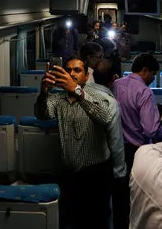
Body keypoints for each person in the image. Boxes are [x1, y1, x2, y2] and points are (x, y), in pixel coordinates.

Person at [34, 58, 113, 229]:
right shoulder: (58, 100)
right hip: (69, 174)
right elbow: (42, 114)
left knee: (96, 221)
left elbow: (104, 117)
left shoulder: (99, 97)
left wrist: (77, 92)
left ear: (86, 76)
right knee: (70, 220)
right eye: (68, 70)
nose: (71, 73)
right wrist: (43, 93)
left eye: (77, 70)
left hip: (96, 174)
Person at [113, 54, 162, 174]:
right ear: (144, 70)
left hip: (117, 146)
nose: (153, 79)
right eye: (153, 74)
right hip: (136, 149)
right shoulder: (145, 92)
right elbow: (150, 131)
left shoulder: (117, 84)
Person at [89, 60, 128, 229]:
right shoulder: (110, 103)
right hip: (101, 167)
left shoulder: (79, 95)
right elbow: (116, 141)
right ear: (113, 79)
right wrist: (120, 172)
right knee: (102, 211)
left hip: (77, 166)